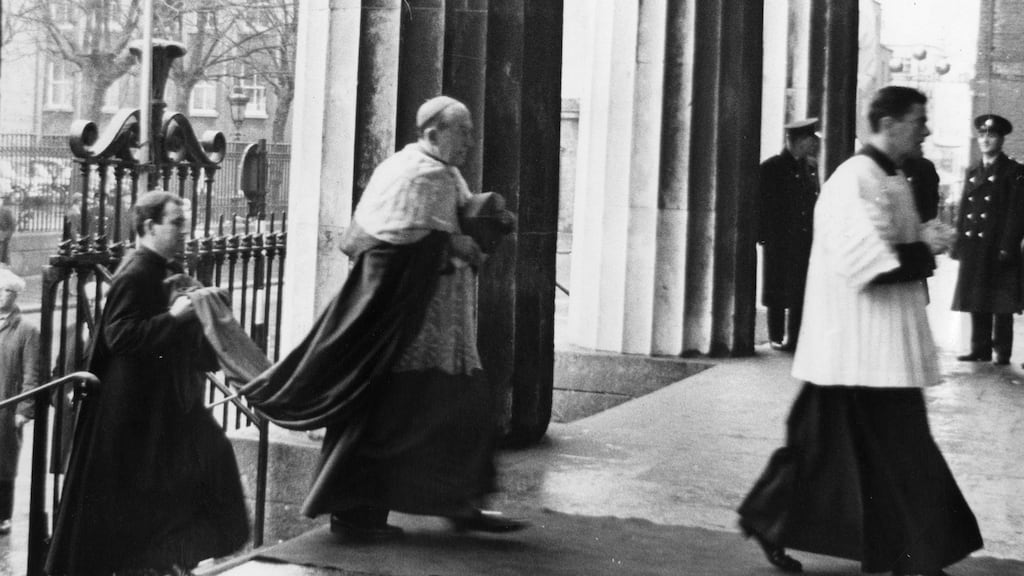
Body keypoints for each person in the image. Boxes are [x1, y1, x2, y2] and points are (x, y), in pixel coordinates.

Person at [242, 95, 525, 539]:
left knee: (461, 409)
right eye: (463, 130)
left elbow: (429, 232)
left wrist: (480, 227)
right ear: (433, 133)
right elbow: (379, 249)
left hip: (441, 330)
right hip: (404, 334)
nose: (471, 139)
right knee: (385, 419)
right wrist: (453, 246)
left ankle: (459, 502)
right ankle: (355, 515)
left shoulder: (441, 172)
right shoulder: (413, 174)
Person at [737, 86, 980, 576]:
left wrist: (923, 241)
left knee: (831, 453)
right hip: (854, 350)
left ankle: (776, 522)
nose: (926, 129)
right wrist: (925, 245)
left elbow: (890, 250)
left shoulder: (886, 175)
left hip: (874, 349)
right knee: (890, 451)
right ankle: (917, 556)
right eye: (918, 120)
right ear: (889, 124)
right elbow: (866, 263)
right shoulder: (855, 179)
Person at [46, 190, 249, 576]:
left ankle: (167, 560)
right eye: (176, 223)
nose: (184, 232)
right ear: (148, 226)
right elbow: (119, 336)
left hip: (158, 407)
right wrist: (175, 316)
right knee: (173, 486)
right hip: (135, 412)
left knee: (196, 474)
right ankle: (161, 562)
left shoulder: (158, 270)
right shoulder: (137, 270)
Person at [950, 114, 1024, 365]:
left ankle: (1002, 351)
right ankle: (979, 348)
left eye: (991, 136)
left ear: (1001, 140)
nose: (985, 140)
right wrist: (959, 242)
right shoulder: (973, 171)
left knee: (1001, 300)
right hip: (975, 245)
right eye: (981, 135)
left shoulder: (1014, 172)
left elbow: (1017, 212)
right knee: (976, 294)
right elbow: (963, 209)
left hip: (998, 245)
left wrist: (1008, 246)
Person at [757, 118, 821, 351]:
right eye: (807, 140)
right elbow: (761, 204)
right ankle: (775, 336)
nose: (812, 145)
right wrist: (763, 235)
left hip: (802, 240)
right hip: (779, 240)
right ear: (795, 141)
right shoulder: (771, 168)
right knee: (776, 289)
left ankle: (794, 338)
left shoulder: (810, 168)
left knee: (799, 291)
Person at [0, 269, 39, 536]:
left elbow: (32, 372)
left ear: (16, 295)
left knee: (4, 464)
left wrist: (24, 410)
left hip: (7, 407)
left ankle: (2, 516)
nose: (1, 296)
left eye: (6, 291)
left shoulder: (26, 330)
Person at [0, 195, 14, 265]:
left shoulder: (6, 212)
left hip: (3, 239)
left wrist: (6, 236)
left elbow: (12, 226)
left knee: (3, 259)